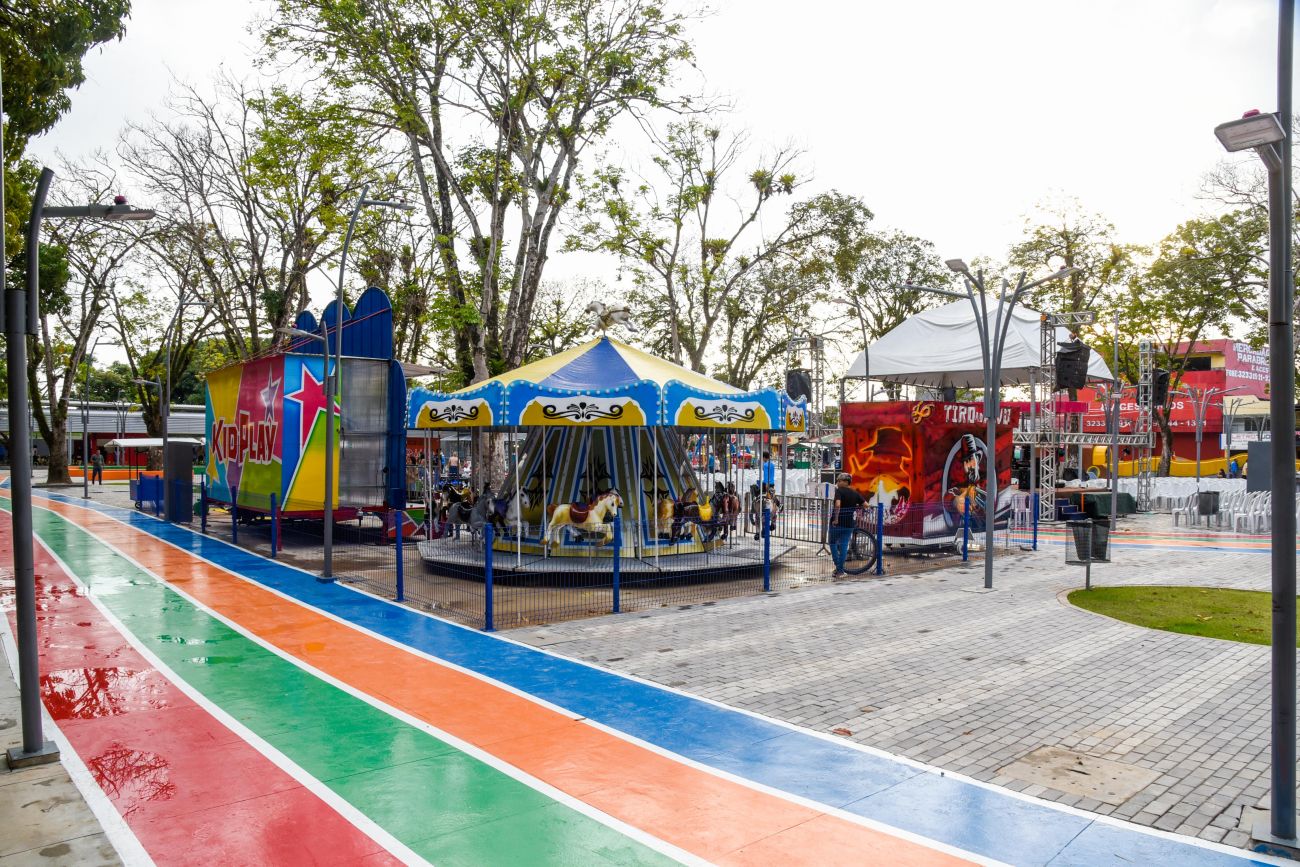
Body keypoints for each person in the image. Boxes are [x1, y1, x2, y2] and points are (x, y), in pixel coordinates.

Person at [829, 473, 865, 578]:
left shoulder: (839, 491)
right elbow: (866, 505)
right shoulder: (855, 493)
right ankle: (840, 570)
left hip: (837, 523)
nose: (837, 482)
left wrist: (836, 519)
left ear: (845, 482)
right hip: (849, 524)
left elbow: (837, 505)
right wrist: (856, 507)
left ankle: (839, 568)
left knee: (832, 543)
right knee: (844, 545)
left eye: (839, 481)